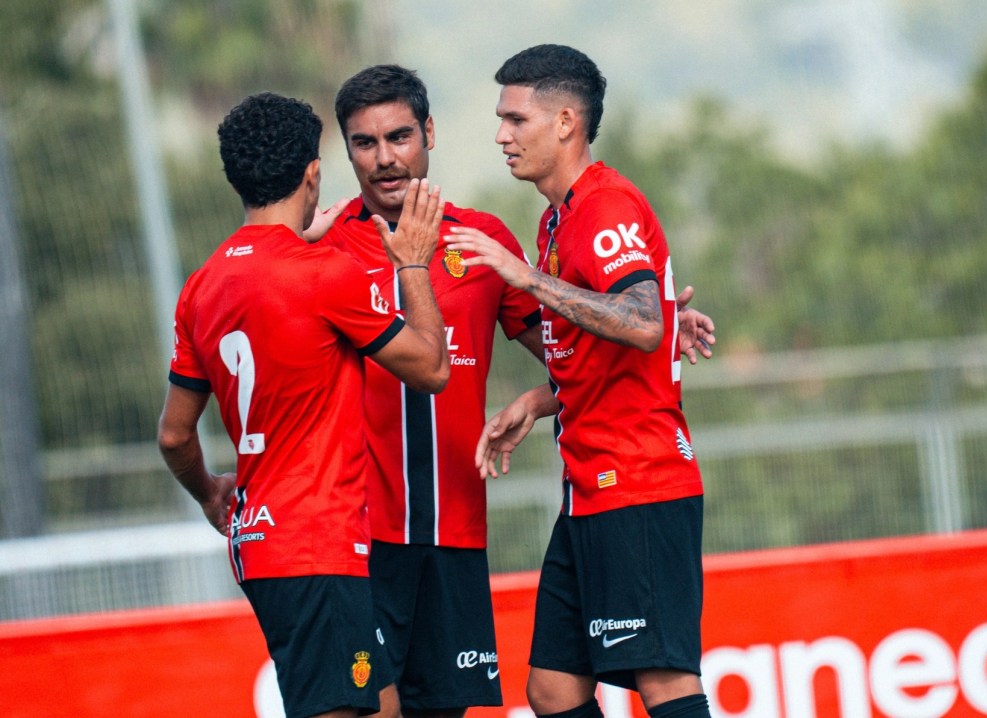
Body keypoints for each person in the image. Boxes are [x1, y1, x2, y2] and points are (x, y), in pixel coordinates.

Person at [156, 91, 449, 718]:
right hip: (317, 542)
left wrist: (211, 493)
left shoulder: (201, 288)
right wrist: (414, 264)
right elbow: (432, 368)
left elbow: (176, 437)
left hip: (262, 544)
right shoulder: (323, 273)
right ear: (313, 173)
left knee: (383, 704)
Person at [444, 44, 713, 718]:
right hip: (591, 489)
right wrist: (540, 401)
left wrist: (525, 277)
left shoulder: (604, 206)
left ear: (565, 122)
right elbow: (623, 329)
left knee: (665, 683)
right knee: (553, 690)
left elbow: (643, 321)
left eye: (515, 119)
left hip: (639, 481)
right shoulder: (557, 217)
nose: (502, 135)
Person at [313, 64, 545, 718]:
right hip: (359, 539)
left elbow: (570, 358)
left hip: (455, 537)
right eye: (365, 143)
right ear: (346, 151)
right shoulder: (325, 248)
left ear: (430, 133)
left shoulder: (484, 242)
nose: (385, 158)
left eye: (399, 136)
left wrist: (539, 400)